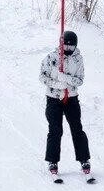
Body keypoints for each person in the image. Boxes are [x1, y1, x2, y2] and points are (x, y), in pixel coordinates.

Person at [39, 31, 91, 180]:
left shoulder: (78, 59)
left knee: (77, 129)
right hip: (54, 98)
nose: (68, 49)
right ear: (61, 44)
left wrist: (66, 79)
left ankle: (84, 160)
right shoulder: (52, 57)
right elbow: (42, 76)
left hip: (71, 98)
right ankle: (52, 161)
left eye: (71, 46)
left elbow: (80, 80)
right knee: (55, 130)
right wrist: (57, 83)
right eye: (66, 46)